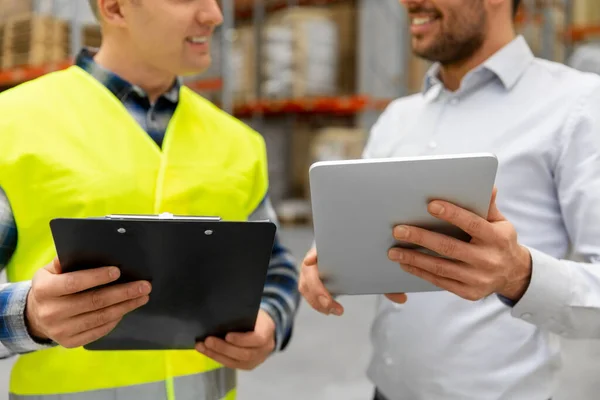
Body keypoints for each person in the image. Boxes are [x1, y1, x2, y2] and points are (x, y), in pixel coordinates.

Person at [299, 0, 600, 399]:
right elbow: (356, 232)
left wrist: (520, 275)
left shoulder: (578, 105)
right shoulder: (398, 117)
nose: (409, 3)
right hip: (385, 390)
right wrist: (329, 259)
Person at [0, 0, 300, 399]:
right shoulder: (13, 125)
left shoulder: (239, 142)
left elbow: (275, 267)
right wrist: (29, 315)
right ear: (116, 9)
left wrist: (270, 322)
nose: (213, 15)